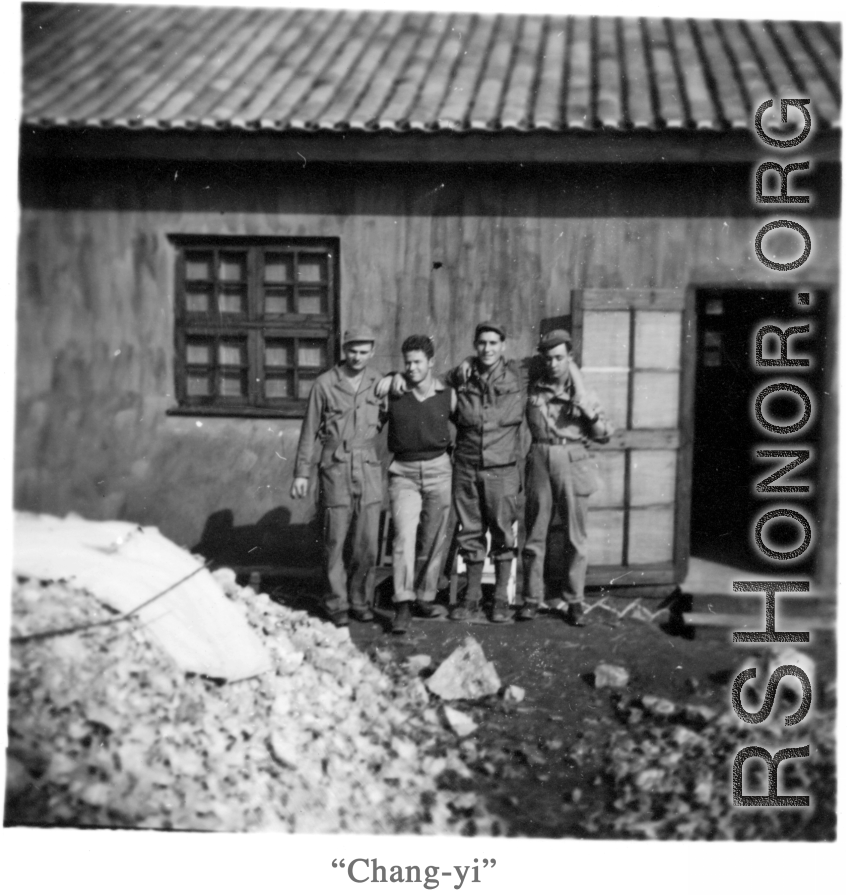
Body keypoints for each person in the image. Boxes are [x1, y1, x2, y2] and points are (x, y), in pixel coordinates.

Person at [291, 327, 386, 627]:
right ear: (344, 351)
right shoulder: (324, 384)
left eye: (363, 352)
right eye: (352, 351)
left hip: (368, 466)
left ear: (372, 352)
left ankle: (359, 600)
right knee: (334, 539)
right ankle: (336, 602)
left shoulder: (379, 383)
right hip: (335, 466)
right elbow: (309, 431)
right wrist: (301, 473)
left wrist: (395, 378)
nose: (357, 357)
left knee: (367, 541)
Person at [518, 329, 613, 626]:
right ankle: (531, 599)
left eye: (560, 358)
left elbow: (604, 436)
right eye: (548, 358)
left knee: (575, 537)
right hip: (539, 458)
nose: (553, 364)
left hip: (573, 459)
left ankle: (574, 601)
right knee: (534, 534)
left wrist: (587, 409)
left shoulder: (584, 393)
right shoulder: (534, 384)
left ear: (569, 358)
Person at [443, 321, 526, 623]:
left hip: (502, 470)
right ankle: (471, 598)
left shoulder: (519, 375)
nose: (487, 349)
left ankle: (501, 600)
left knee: (503, 533)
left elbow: (555, 365)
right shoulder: (463, 376)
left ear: (503, 346)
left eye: (493, 343)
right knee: (471, 533)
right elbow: (433, 382)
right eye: (482, 343)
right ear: (475, 346)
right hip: (466, 466)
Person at [385, 335, 457, 634]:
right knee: (404, 536)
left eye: (417, 362)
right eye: (407, 363)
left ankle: (425, 597)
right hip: (404, 471)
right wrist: (390, 378)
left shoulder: (447, 394)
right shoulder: (394, 391)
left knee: (434, 538)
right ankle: (402, 602)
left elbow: (466, 424)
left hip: (440, 469)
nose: (412, 368)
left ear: (431, 363)